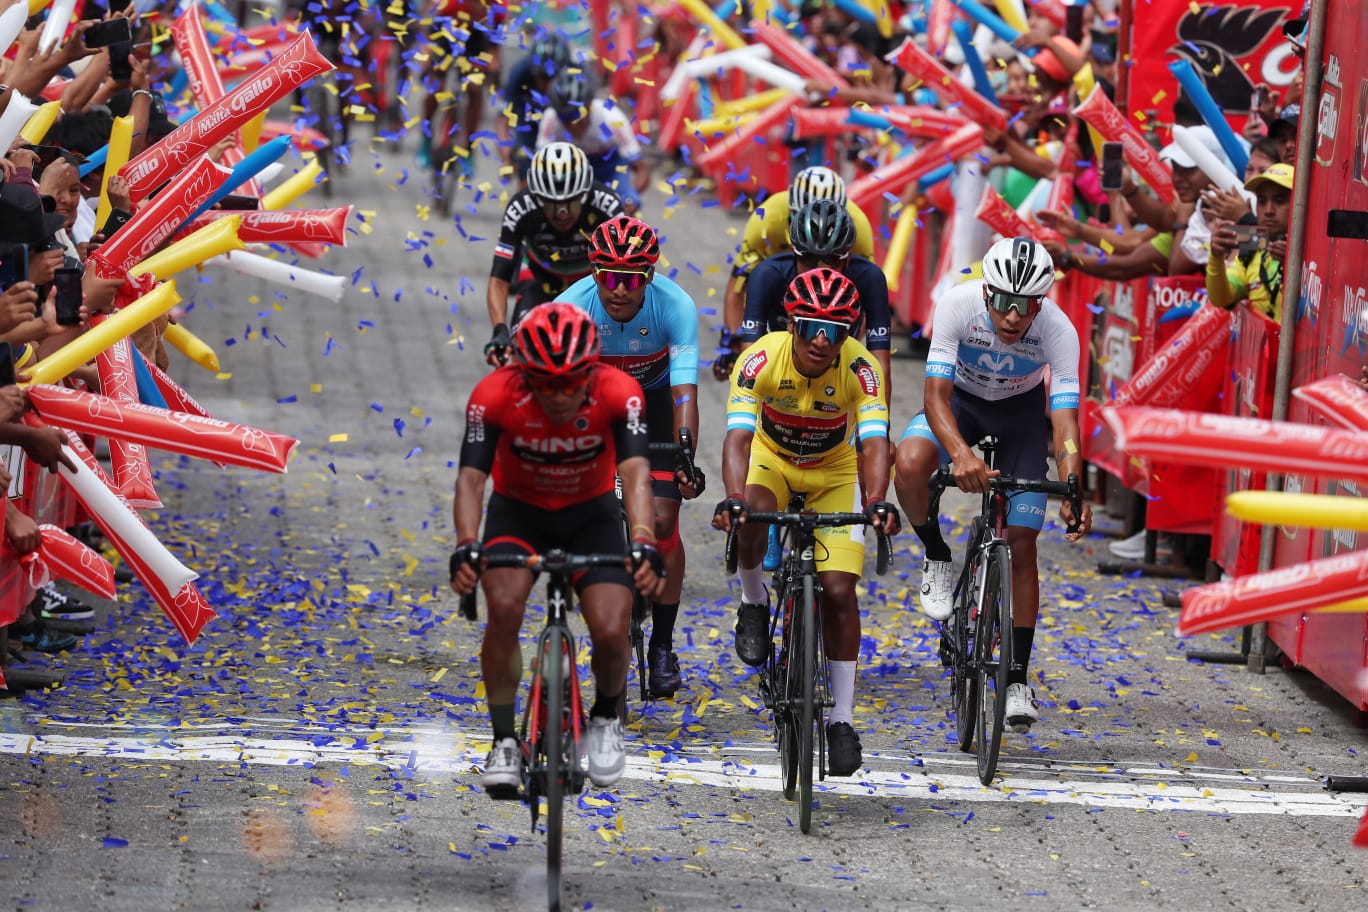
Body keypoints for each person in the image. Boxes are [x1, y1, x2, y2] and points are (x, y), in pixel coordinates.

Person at [449, 302, 666, 793]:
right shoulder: (492, 395)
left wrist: (645, 540)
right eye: (545, 384)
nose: (560, 395)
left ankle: (606, 717)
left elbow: (634, 472)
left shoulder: (620, 392)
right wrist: (466, 545)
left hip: (590, 515)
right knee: (503, 607)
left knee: (612, 629)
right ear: (522, 374)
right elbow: (470, 478)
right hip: (518, 512)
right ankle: (505, 740)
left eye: (571, 383)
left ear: (592, 369)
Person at [893, 237, 1092, 732]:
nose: (1011, 317)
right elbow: (934, 396)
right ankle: (937, 552)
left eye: (1024, 307)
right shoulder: (958, 304)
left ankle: (1018, 678)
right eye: (1003, 302)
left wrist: (1073, 486)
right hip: (959, 403)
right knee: (912, 462)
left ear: (1040, 303)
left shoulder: (1059, 332)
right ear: (987, 295)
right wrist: (960, 452)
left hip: (1021, 418)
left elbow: (1064, 422)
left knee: (1021, 541)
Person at [712, 268, 900, 777]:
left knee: (839, 591)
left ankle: (841, 718)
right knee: (749, 511)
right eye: (812, 327)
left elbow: (875, 442)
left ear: (851, 332)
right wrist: (732, 498)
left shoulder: (862, 371)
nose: (822, 340)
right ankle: (753, 602)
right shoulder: (759, 360)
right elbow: (737, 440)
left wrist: (878, 498)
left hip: (835, 471)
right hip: (772, 459)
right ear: (791, 324)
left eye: (836, 330)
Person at [556, 216, 703, 697]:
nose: (619, 290)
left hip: (655, 408)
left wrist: (684, 457)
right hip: (593, 410)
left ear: (649, 278)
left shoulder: (675, 306)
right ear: (594, 274)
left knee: (662, 521)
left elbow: (684, 396)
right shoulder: (570, 308)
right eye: (608, 277)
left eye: (631, 279)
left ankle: (662, 644)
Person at [717, 167, 875, 380]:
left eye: (831, 256)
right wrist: (733, 340)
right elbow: (738, 288)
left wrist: (843, 348)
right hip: (780, 283)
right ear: (790, 212)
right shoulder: (767, 218)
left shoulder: (859, 227)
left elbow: (865, 298)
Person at [737, 199, 893, 401]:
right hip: (781, 372)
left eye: (832, 260)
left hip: (840, 376)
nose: (819, 269)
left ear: (848, 258)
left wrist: (882, 426)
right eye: (809, 259)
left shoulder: (869, 278)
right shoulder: (768, 274)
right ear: (794, 253)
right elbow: (749, 354)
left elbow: (880, 366)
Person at [483, 142, 623, 364]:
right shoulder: (521, 207)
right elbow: (499, 278)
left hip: (591, 287)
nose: (562, 213)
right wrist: (499, 330)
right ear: (537, 197)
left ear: (585, 194)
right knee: (519, 356)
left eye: (570, 202)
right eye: (552, 204)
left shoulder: (607, 206)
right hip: (541, 283)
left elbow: (624, 273)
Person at [535, 69, 649, 215]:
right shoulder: (550, 119)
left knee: (625, 211)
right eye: (565, 118)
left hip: (610, 169)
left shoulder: (613, 119)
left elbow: (642, 170)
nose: (572, 125)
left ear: (589, 106)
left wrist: (630, 197)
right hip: (570, 169)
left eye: (577, 116)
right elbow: (538, 168)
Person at [415, 0, 499, 175]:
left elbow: (494, 47)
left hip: (475, 42)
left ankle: (467, 150)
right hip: (446, 36)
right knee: (435, 89)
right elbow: (430, 37)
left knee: (475, 91)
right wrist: (427, 64)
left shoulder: (498, 8)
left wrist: (493, 70)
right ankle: (426, 140)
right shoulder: (451, 4)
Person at [1206, 163, 1293, 322]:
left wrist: (1294, 264)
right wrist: (1216, 258)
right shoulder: (1253, 245)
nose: (1268, 210)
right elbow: (1221, 299)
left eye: (1279, 201)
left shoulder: (1315, 253)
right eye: (1261, 201)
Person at [496, 32, 571, 183]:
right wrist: (506, 158)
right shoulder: (519, 72)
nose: (547, 84)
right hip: (527, 122)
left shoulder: (575, 75)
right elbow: (502, 120)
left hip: (563, 124)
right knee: (526, 169)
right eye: (542, 77)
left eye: (553, 77)